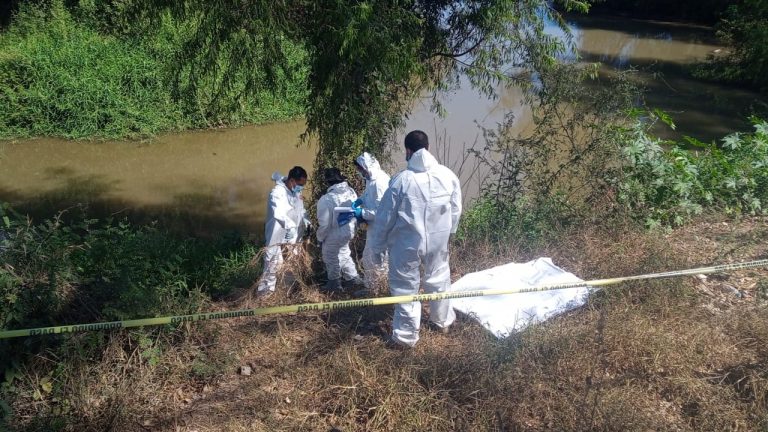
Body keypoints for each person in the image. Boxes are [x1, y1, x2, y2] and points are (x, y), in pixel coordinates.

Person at [368, 130, 462, 347]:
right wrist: (450, 232)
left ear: (408, 151)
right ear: (428, 148)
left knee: (405, 287)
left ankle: (406, 337)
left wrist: (377, 246)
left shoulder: (401, 180)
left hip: (407, 244)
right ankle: (442, 322)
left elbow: (384, 218)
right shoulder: (448, 175)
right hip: (438, 241)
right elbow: (456, 209)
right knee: (439, 280)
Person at [256, 166, 309, 297]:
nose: (301, 188)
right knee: (272, 263)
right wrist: (289, 226)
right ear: (292, 180)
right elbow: (278, 213)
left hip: (292, 235)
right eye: (300, 185)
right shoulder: (277, 193)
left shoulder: (295, 192)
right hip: (277, 232)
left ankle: (286, 291)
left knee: (292, 262)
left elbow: (300, 211)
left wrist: (306, 221)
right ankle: (265, 294)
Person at [316, 168, 365, 292]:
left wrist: (320, 238)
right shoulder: (350, 191)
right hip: (349, 231)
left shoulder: (325, 199)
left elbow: (324, 225)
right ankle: (352, 278)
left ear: (327, 182)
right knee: (344, 253)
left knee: (330, 256)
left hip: (334, 234)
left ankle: (334, 285)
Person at [351, 152, 391, 295]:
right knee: (369, 257)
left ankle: (376, 290)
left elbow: (380, 212)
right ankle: (371, 286)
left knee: (377, 260)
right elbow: (368, 195)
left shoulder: (380, 183)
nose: (360, 173)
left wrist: (361, 213)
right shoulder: (371, 179)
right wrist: (360, 200)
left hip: (381, 227)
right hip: (374, 227)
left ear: (367, 167)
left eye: (361, 169)